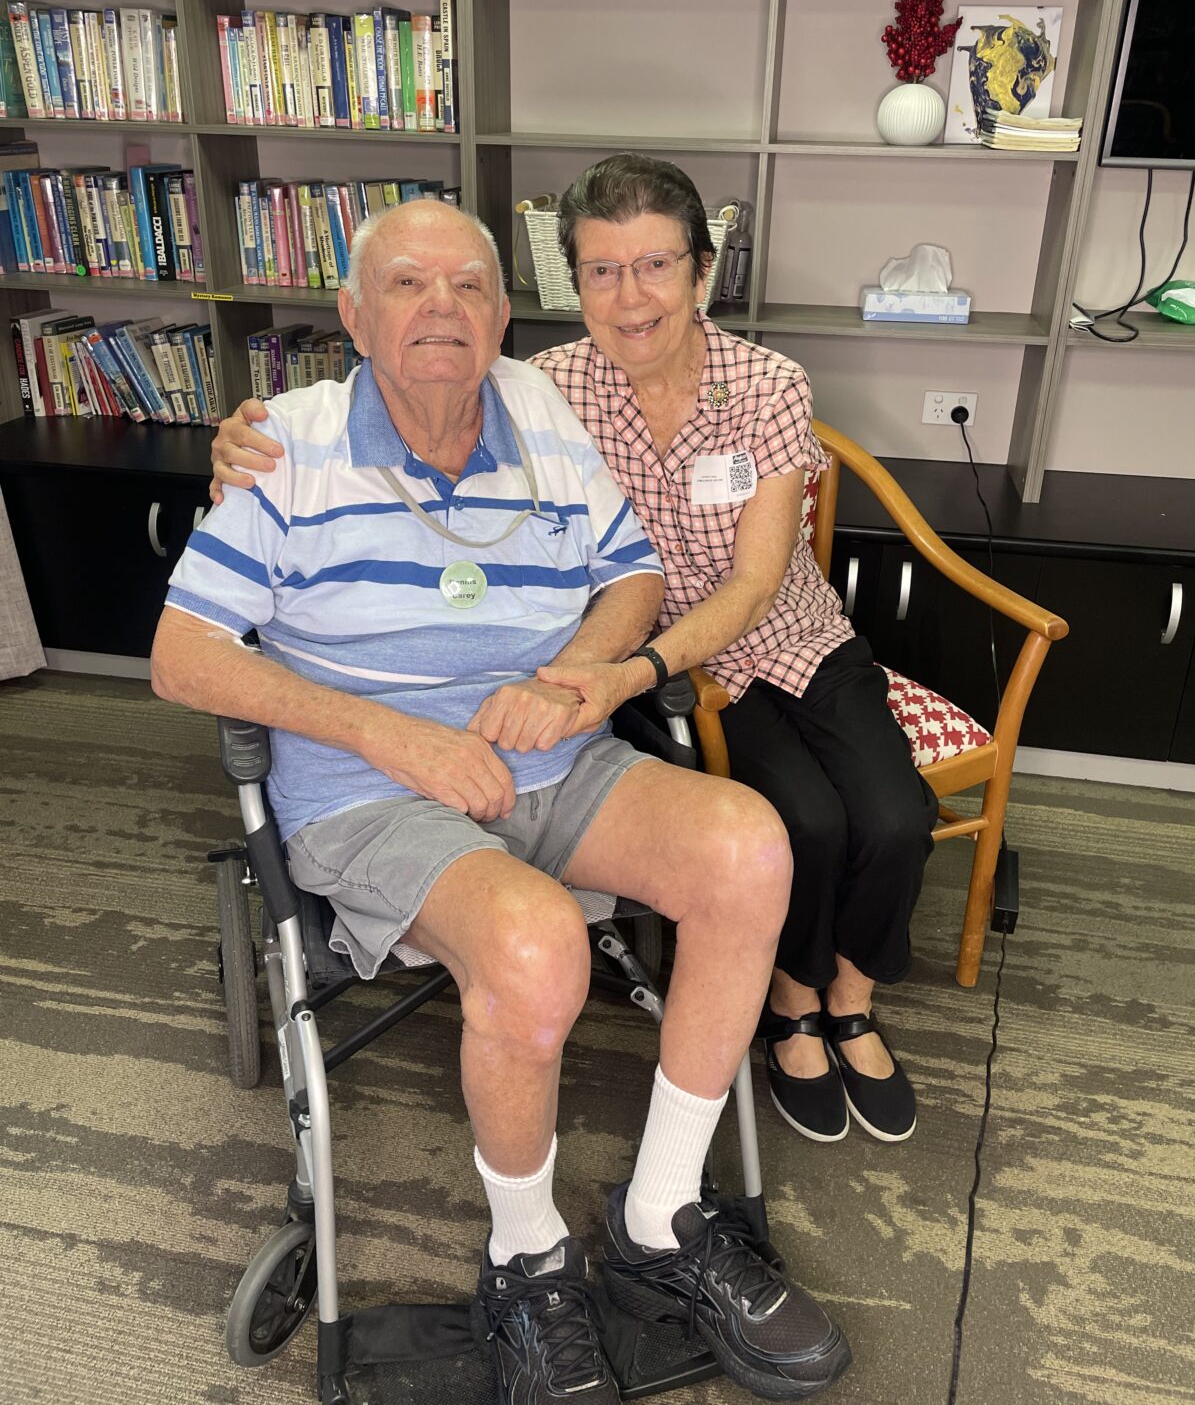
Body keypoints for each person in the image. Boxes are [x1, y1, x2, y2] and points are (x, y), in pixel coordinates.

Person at [153, 200, 851, 1405]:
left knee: (750, 847)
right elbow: (182, 656)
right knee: (534, 944)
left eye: (469, 286)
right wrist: (389, 733)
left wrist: (572, 676)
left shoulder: (540, 410)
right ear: (354, 315)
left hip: (550, 756)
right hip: (372, 788)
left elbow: (633, 571)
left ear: (502, 311)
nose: (442, 308)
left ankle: (660, 1218)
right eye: (408, 285)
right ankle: (526, 1260)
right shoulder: (286, 445)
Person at [210, 158, 939, 1150]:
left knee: (893, 817)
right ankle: (791, 1007)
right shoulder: (547, 386)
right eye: (602, 271)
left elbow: (753, 586)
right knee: (802, 820)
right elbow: (407, 387)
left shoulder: (766, 385)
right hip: (664, 669)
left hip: (771, 636)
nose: (631, 297)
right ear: (571, 286)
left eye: (655, 265)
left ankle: (848, 1001)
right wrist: (249, 442)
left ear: (701, 272)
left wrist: (625, 669)